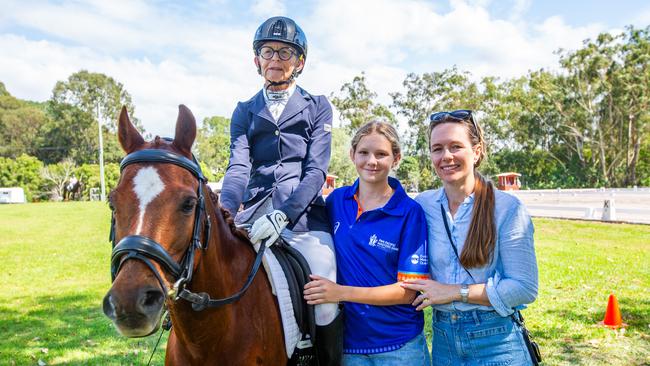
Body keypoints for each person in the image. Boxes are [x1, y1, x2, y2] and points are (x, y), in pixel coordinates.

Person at [220, 16, 342, 365]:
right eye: (267, 51)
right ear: (256, 59)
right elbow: (239, 167)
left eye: (285, 52)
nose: (275, 58)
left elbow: (316, 170)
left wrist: (284, 213)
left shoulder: (317, 105)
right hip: (253, 212)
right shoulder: (244, 111)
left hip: (302, 218)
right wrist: (226, 210)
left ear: (299, 62)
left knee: (325, 289)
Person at [401, 110, 539, 365]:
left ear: (476, 151)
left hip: (496, 340)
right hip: (444, 340)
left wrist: (454, 292)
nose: (446, 157)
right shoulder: (423, 205)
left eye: (456, 147)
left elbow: (523, 288)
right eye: (437, 149)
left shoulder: (507, 208)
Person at [303, 121, 431, 366]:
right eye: (364, 152)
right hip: (349, 347)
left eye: (381, 154)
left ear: (396, 158)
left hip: (400, 347)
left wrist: (340, 292)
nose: (371, 161)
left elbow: (409, 292)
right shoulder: (336, 202)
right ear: (352, 155)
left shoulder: (409, 212)